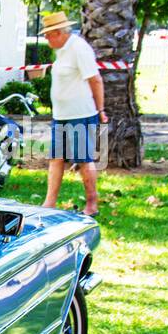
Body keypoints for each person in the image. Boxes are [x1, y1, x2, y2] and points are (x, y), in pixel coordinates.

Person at [39, 11, 104, 216]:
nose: (46, 39)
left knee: (83, 160)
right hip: (61, 115)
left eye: (48, 35)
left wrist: (100, 110)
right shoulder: (61, 51)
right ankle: (49, 203)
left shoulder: (79, 48)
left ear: (58, 33)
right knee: (56, 158)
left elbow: (96, 80)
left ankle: (92, 205)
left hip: (79, 114)